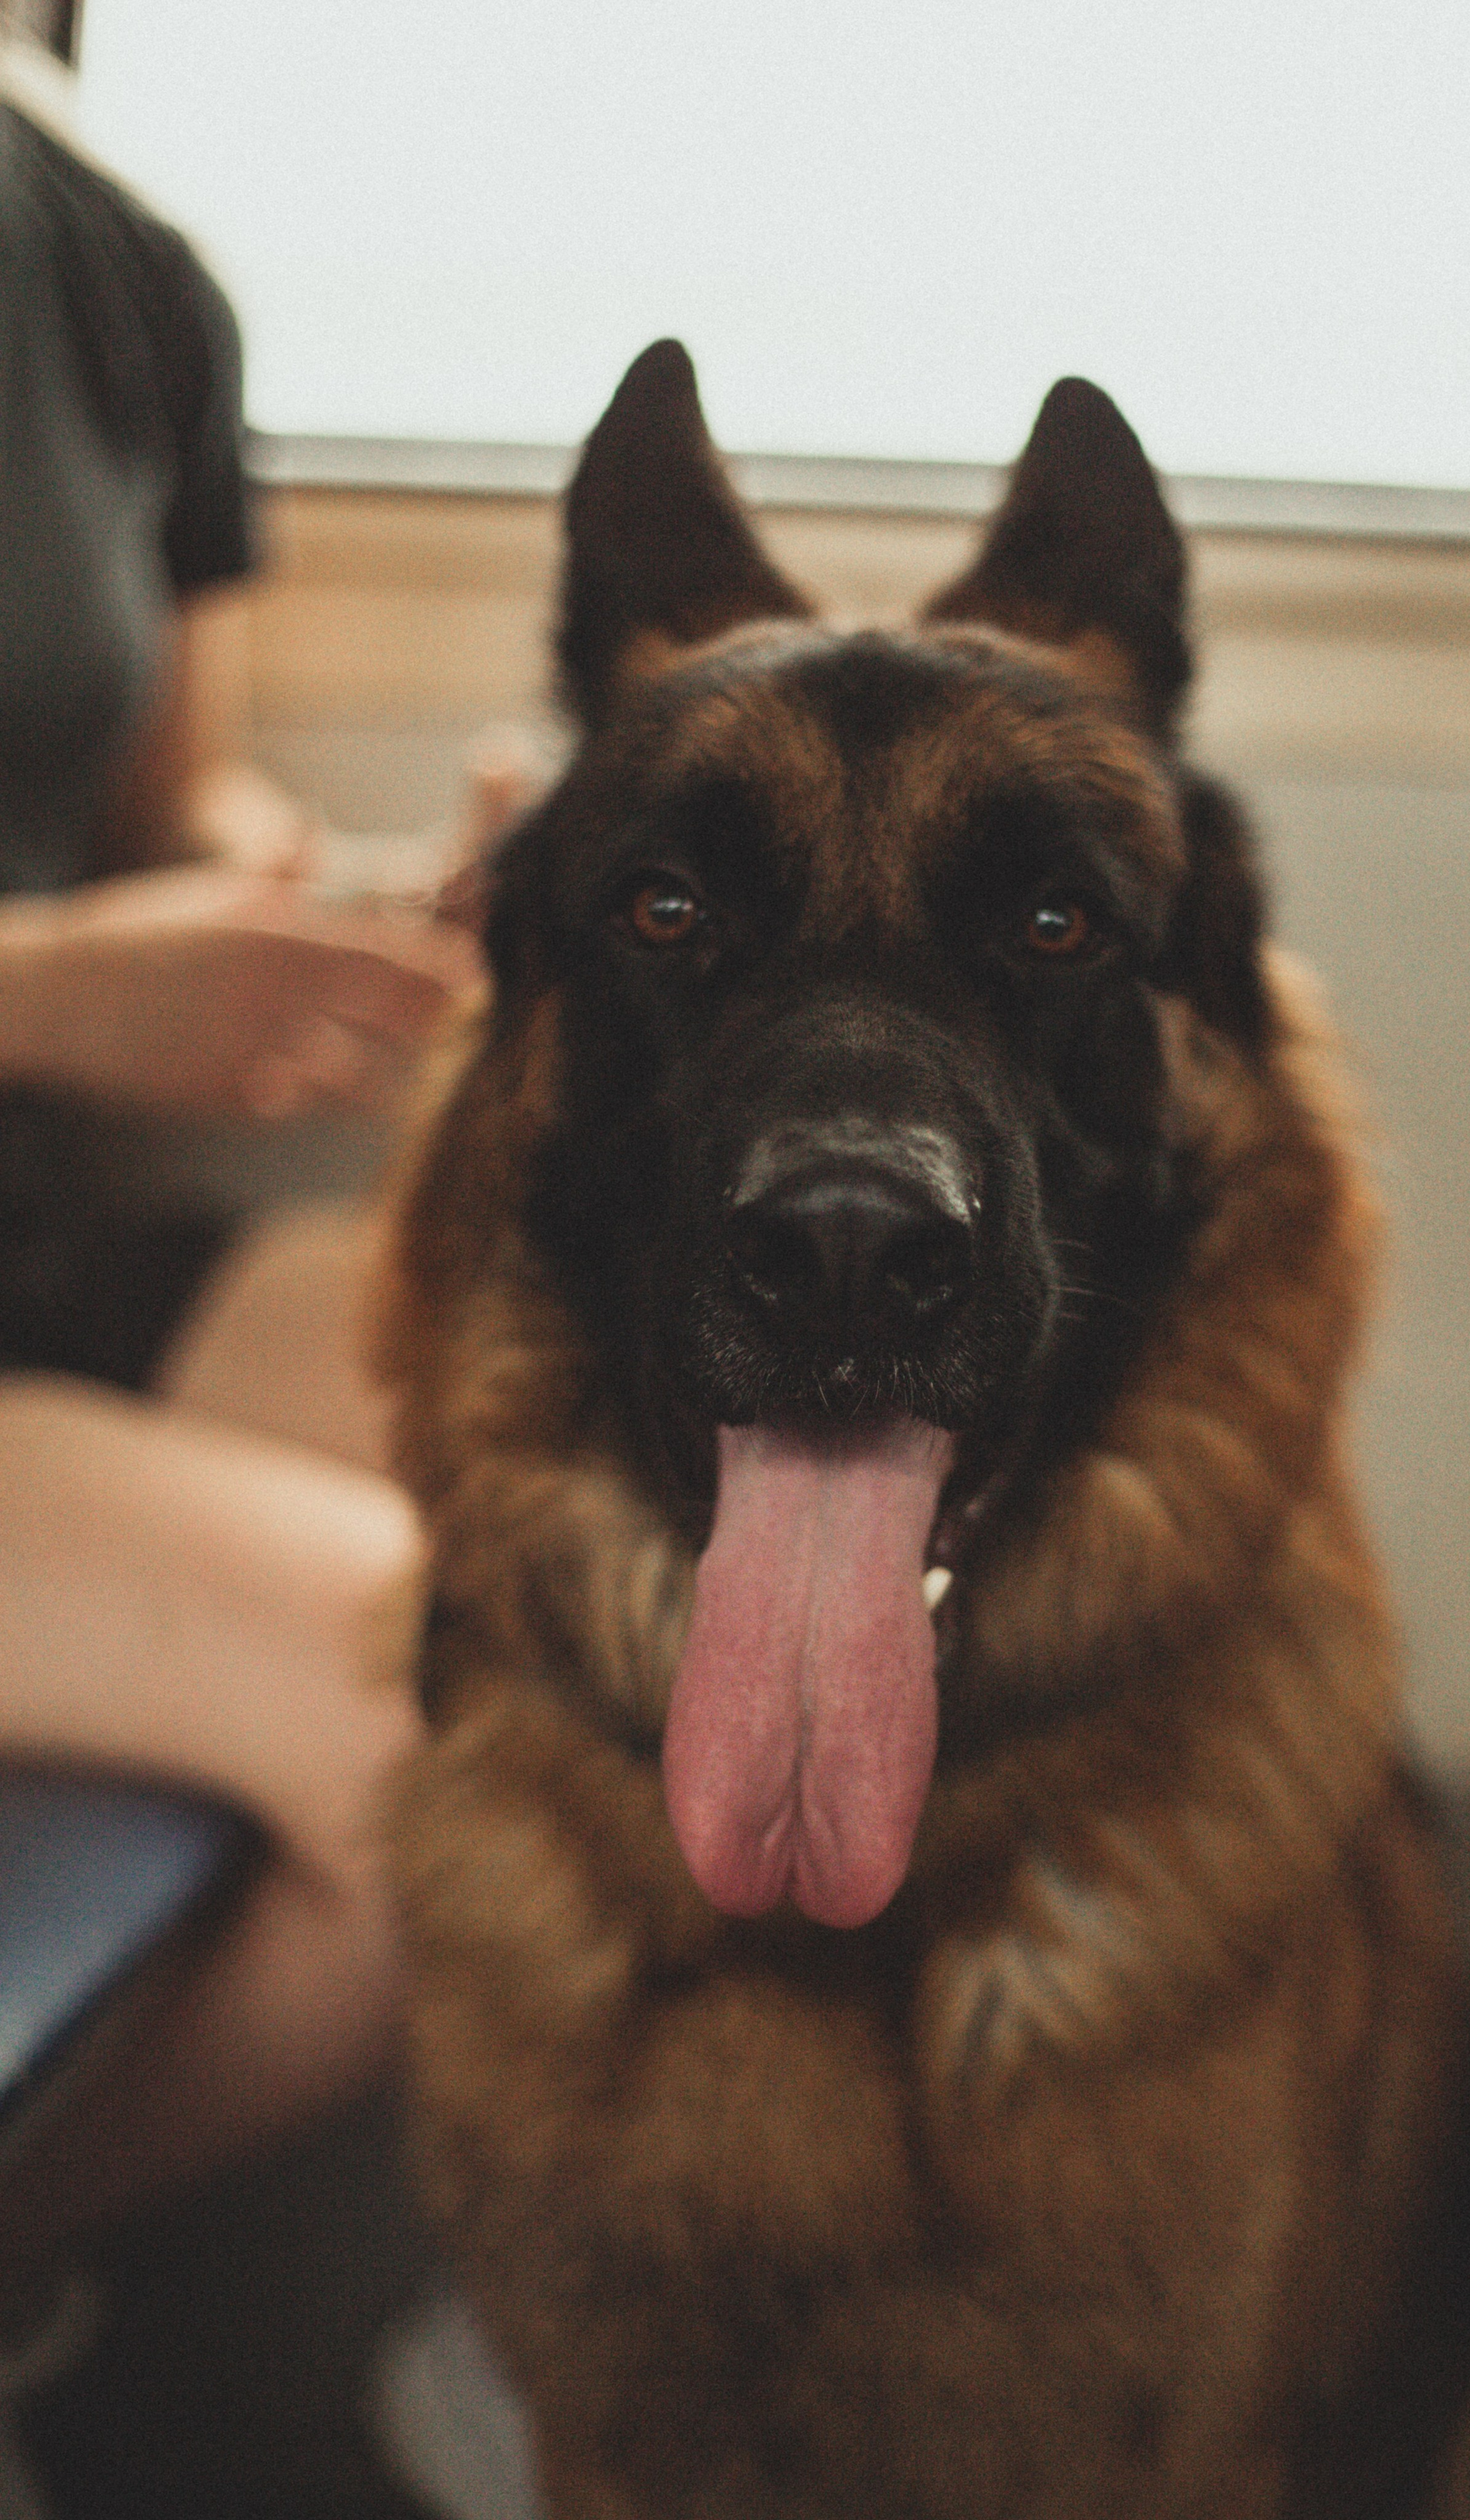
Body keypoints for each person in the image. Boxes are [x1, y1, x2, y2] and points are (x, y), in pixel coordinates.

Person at [0, 32, 503, 2249]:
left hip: (28, 1270)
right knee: (448, 1744)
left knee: (604, 1420)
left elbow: (173, 807)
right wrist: (52, 990)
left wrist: (341, 921)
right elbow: (71, 943)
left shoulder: (119, 280)